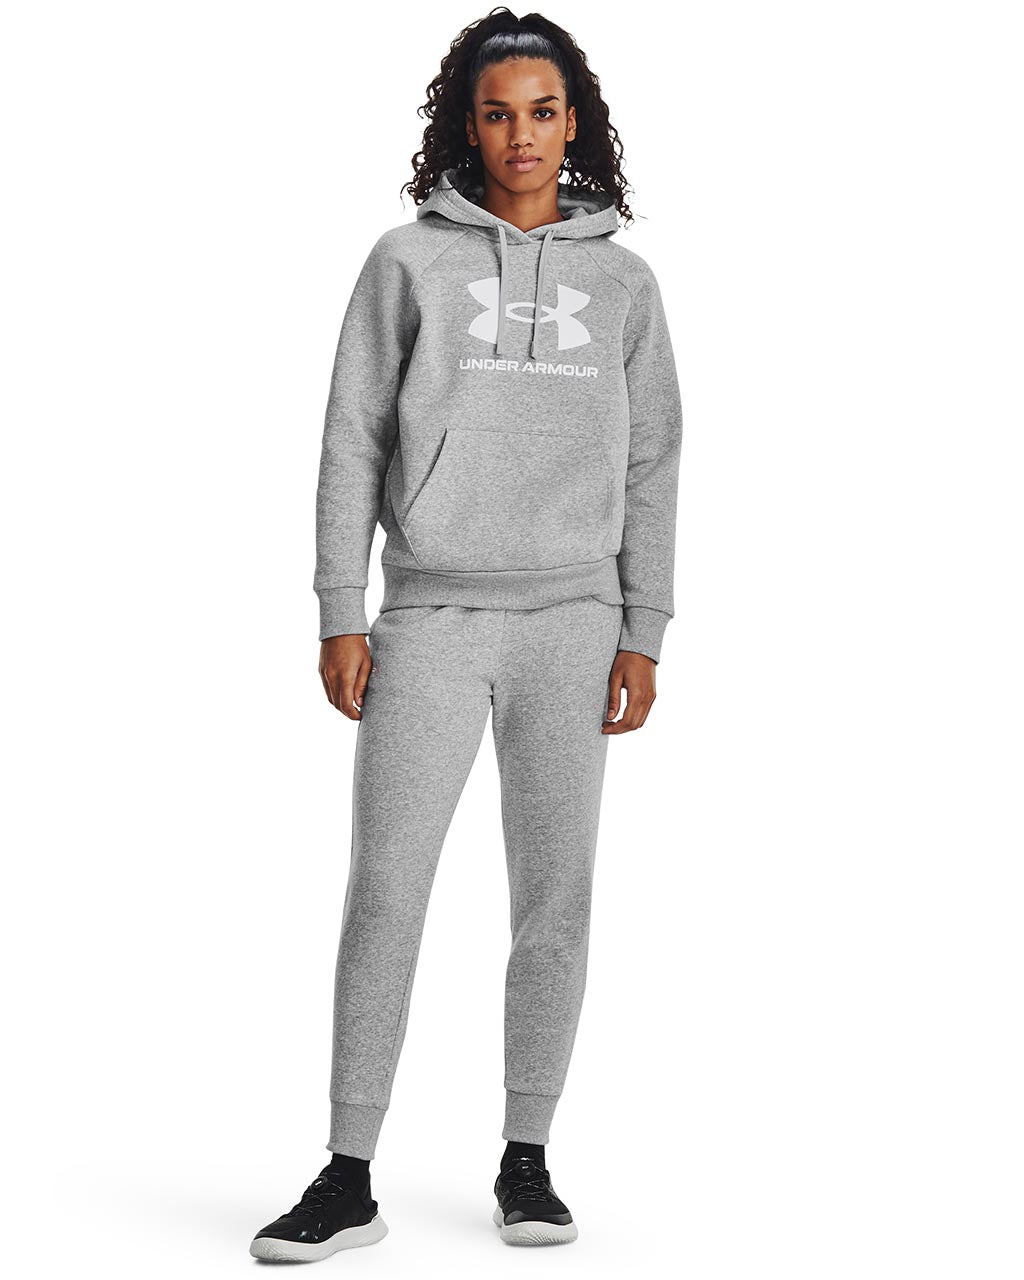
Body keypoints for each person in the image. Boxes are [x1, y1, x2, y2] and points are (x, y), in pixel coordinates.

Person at [250, 7, 683, 1260]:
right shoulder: (407, 262)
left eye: (542, 112)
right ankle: (348, 1171)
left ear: (574, 124)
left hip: (573, 619)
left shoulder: (624, 283)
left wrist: (644, 625)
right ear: (467, 125)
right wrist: (341, 606)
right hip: (432, 613)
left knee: (554, 897)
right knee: (386, 885)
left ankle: (526, 1156)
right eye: (498, 113)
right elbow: (351, 436)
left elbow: (654, 460)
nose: (521, 136)